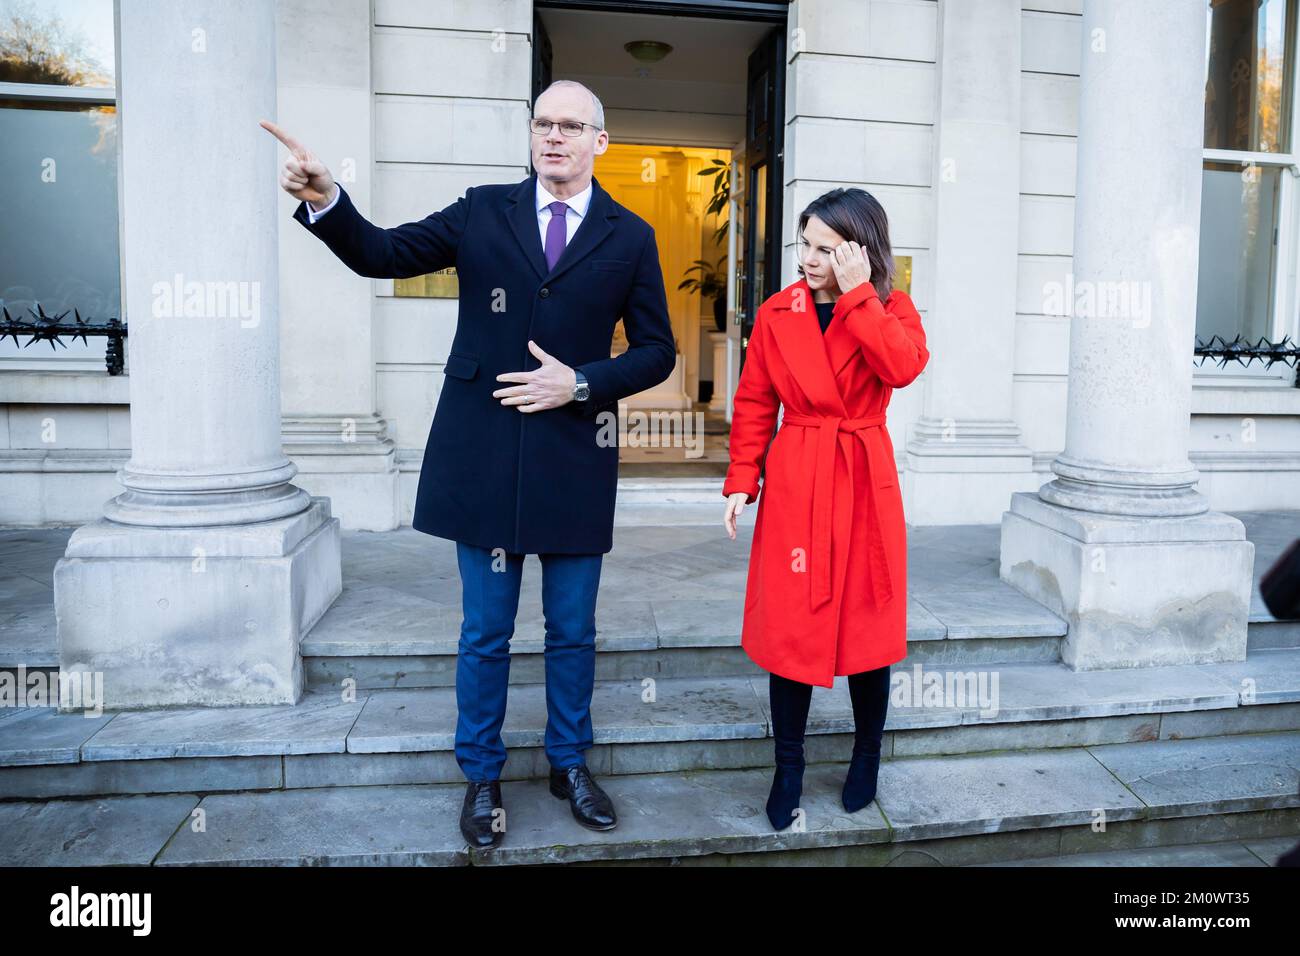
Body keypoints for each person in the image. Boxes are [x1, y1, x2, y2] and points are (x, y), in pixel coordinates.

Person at [263, 80, 676, 849]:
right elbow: (383, 252)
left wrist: (580, 381)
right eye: (543, 123)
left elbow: (658, 350)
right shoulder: (484, 210)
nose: (554, 136)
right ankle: (482, 774)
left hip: (575, 460)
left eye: (571, 125)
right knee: (485, 630)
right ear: (531, 135)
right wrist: (328, 199)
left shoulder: (631, 235)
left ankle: (569, 764)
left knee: (572, 629)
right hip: (484, 457)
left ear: (600, 142)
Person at [722, 188, 929, 830]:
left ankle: (866, 755)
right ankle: (788, 767)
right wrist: (740, 479)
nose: (808, 260)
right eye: (803, 245)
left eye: (824, 249)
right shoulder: (778, 311)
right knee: (791, 630)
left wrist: (861, 296)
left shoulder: (890, 307)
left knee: (867, 630)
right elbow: (755, 399)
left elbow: (903, 367)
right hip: (798, 480)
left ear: (859, 251)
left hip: (863, 479)